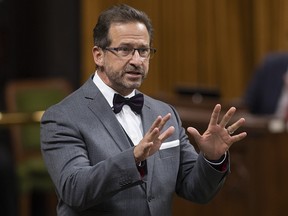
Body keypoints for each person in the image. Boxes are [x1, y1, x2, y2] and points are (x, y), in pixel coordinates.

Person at [40, 4, 247, 216]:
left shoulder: (165, 113)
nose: (137, 60)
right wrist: (133, 158)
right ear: (98, 55)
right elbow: (74, 189)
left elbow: (196, 190)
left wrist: (212, 158)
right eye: (125, 50)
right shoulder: (62, 117)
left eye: (143, 50)